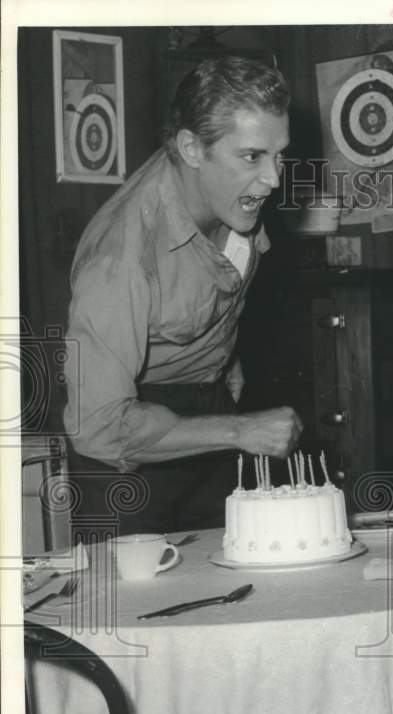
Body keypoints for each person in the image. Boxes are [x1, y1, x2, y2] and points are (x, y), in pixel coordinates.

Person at [63, 56, 302, 535]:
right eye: (253, 156)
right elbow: (98, 426)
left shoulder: (228, 189)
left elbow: (213, 284)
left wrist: (223, 361)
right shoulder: (119, 258)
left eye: (279, 155)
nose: (274, 178)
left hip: (207, 417)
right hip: (124, 448)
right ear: (191, 148)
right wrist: (240, 430)